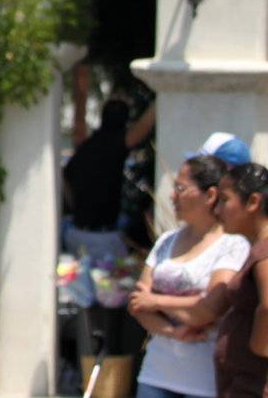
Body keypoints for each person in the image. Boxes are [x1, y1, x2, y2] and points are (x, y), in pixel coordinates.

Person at [130, 163, 268, 398]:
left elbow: (264, 307)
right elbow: (136, 303)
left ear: (253, 203)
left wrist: (256, 349)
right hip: (223, 380)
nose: (218, 210)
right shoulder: (167, 240)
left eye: (225, 200)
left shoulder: (259, 250)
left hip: (246, 383)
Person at [65, 97, 134, 258]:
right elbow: (141, 130)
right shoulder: (117, 145)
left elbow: (65, 177)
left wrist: (74, 205)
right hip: (104, 237)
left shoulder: (86, 147)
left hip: (76, 231)